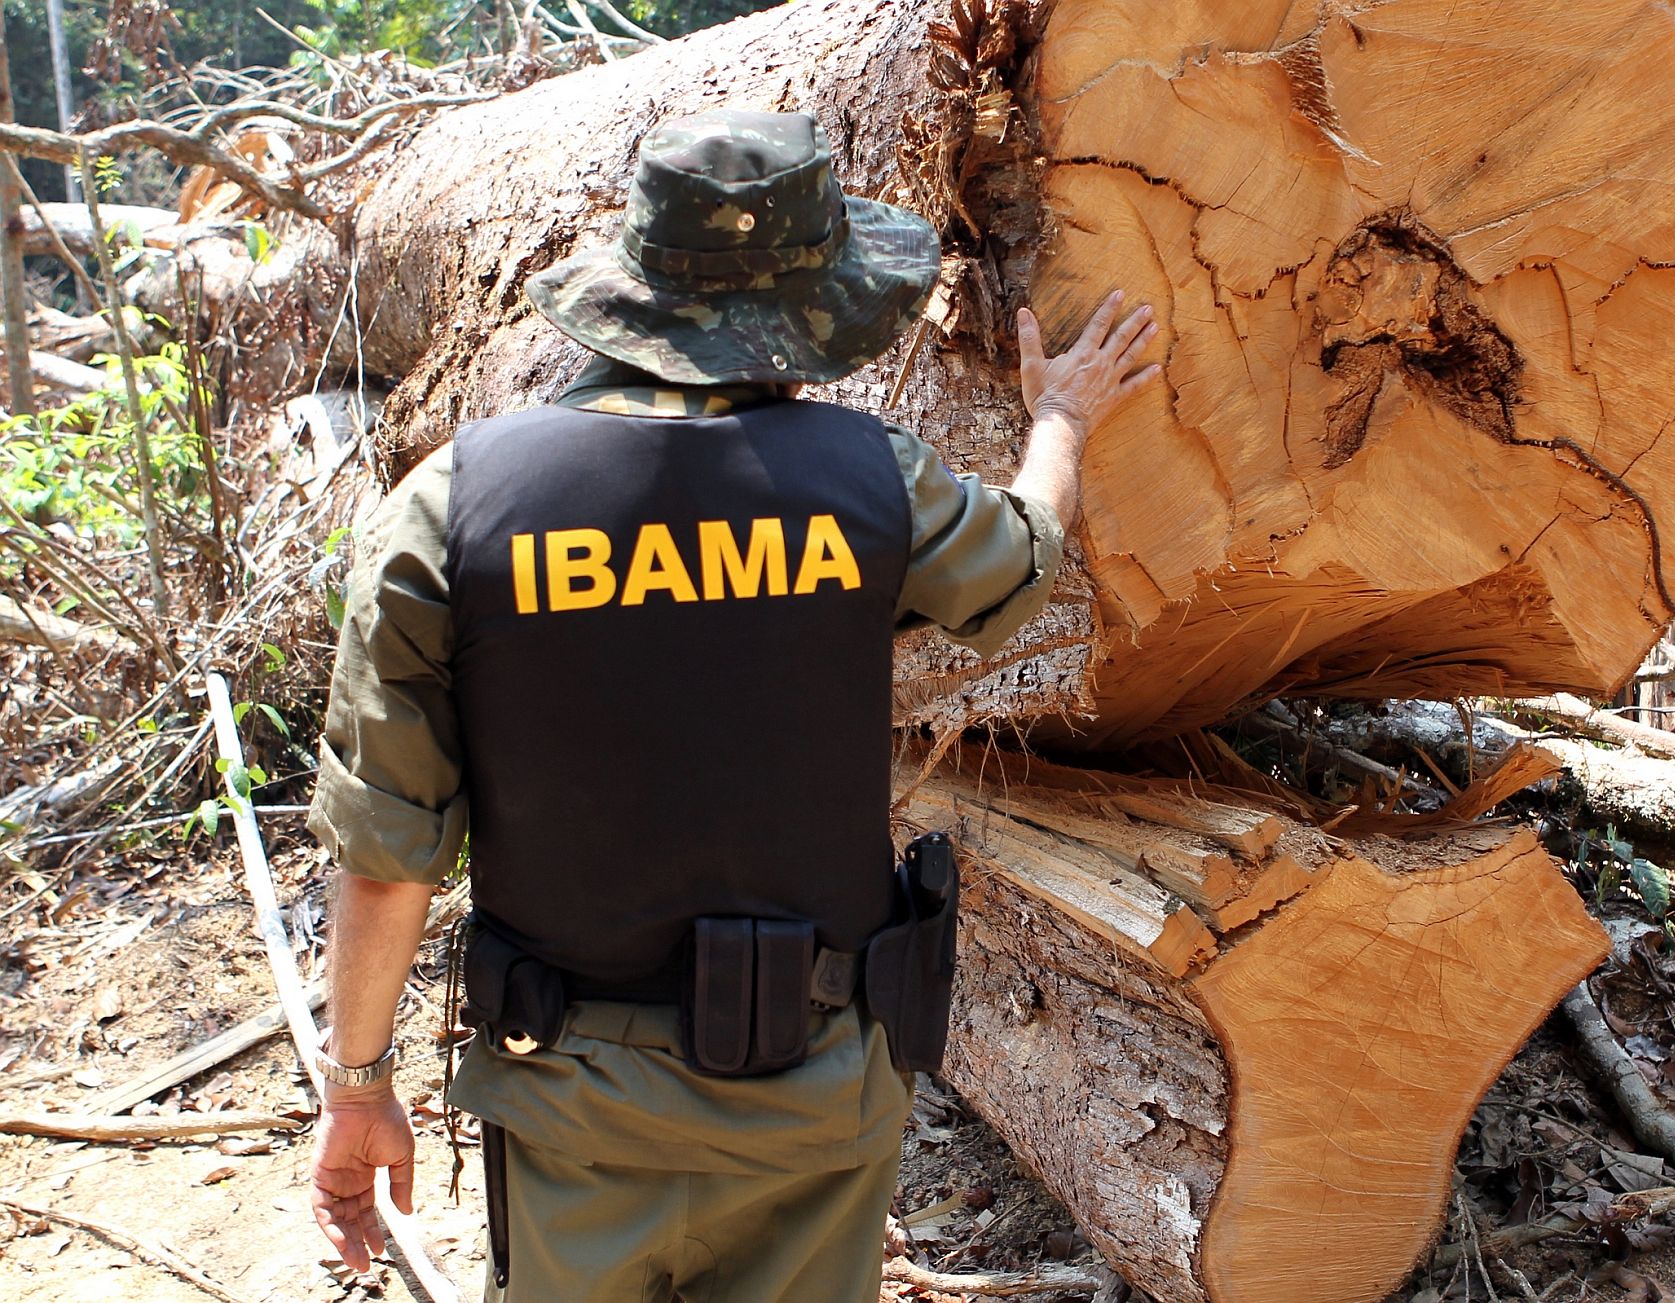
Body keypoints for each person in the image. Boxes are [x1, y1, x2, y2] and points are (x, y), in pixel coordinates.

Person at [302, 108, 1158, 1302]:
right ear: (812, 303)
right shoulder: (869, 482)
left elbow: (387, 857)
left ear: (634, 286)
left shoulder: (451, 509)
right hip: (814, 1092)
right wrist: (1060, 417)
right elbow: (1012, 568)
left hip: (568, 1097)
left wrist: (357, 1090)